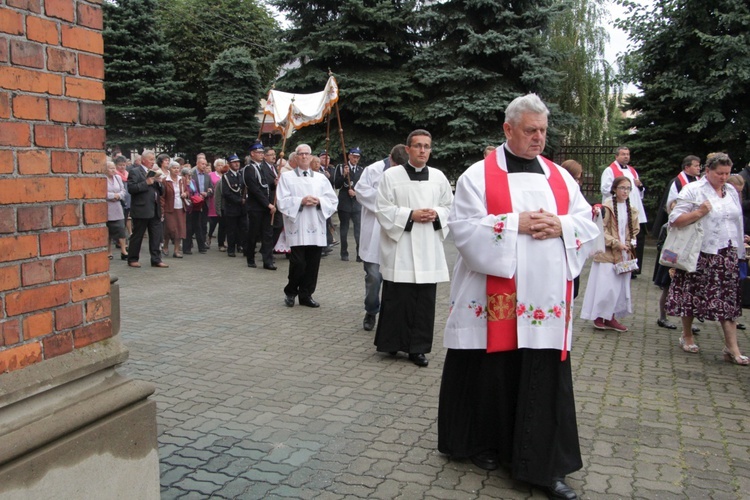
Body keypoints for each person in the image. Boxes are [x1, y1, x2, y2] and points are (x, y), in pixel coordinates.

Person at [438, 94, 599, 500]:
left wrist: (560, 224)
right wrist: (516, 224)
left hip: (544, 301)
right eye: (531, 130)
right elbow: (463, 230)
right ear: (508, 130)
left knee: (540, 376)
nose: (539, 138)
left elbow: (586, 223)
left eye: (543, 131)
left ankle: (540, 463)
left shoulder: (561, 177)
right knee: (494, 372)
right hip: (495, 297)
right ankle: (485, 443)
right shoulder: (478, 175)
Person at [374, 130, 453, 367]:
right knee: (398, 297)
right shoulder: (391, 176)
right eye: (417, 146)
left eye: (426, 146)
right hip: (402, 246)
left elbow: (449, 206)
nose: (422, 150)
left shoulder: (439, 177)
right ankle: (391, 343)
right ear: (407, 150)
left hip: (428, 245)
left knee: (423, 301)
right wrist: (410, 215)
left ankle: (417, 348)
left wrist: (436, 213)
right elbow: (382, 208)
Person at [666, 153, 748, 365]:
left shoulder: (730, 190)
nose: (723, 177)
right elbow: (674, 219)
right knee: (692, 296)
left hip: (726, 253)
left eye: (727, 174)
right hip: (700, 253)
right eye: (719, 173)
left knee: (729, 301)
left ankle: (732, 348)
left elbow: (737, 220)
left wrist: (740, 248)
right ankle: (687, 335)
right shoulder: (694, 189)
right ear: (708, 171)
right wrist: (700, 212)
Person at [277, 144, 338, 307]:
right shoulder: (287, 177)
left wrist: (319, 201)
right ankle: (291, 292)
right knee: (298, 263)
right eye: (301, 154)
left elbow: (332, 200)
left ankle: (306, 294)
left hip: (316, 226)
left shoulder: (321, 178)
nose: (304, 156)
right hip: (297, 227)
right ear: (296, 157)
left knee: (312, 264)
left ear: (311, 157)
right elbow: (281, 201)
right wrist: (300, 201)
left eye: (307, 154)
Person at [357, 144, 408, 331]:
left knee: (394, 280)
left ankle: (390, 317)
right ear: (389, 158)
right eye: (394, 165)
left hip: (396, 231)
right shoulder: (373, 170)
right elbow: (361, 192)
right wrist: (386, 205)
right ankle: (371, 310)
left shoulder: (407, 171)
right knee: (373, 277)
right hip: (375, 233)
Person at [580, 176, 639, 332]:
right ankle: (599, 316)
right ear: (614, 189)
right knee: (606, 286)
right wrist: (615, 242)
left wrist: (628, 242)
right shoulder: (606, 208)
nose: (625, 191)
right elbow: (600, 230)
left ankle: (611, 316)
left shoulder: (631, 209)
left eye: (628, 188)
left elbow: (634, 229)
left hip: (623, 254)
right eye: (622, 188)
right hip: (607, 253)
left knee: (619, 287)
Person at [652, 155, 701, 330]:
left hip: (689, 245)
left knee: (688, 287)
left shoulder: (698, 182)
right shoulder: (677, 182)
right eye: (696, 166)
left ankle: (686, 321)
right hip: (673, 248)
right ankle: (662, 316)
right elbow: (671, 205)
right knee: (668, 283)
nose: (699, 169)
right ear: (687, 167)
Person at [600, 146, 647, 277]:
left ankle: (632, 266)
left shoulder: (633, 171)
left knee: (633, 236)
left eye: (627, 154)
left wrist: (640, 186)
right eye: (623, 154)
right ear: (616, 156)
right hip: (617, 209)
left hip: (632, 208)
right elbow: (604, 189)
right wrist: (618, 189)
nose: (626, 156)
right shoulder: (609, 170)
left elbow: (638, 192)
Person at [127, 149, 168, 268]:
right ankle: (133, 258)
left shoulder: (154, 172)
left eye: (153, 159)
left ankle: (156, 259)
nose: (152, 162)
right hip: (141, 210)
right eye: (150, 159)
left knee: (156, 236)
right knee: (138, 235)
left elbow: (161, 192)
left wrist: (159, 183)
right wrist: (146, 183)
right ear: (143, 160)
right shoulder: (135, 171)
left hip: (155, 209)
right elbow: (131, 188)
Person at [244, 142, 278, 270]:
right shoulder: (249, 169)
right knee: (253, 233)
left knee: (268, 234)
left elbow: (267, 185)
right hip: (256, 207)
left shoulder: (264, 167)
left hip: (266, 206)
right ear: (252, 154)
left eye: (262, 153)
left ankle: (267, 261)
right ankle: (250, 258)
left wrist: (274, 184)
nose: (261, 155)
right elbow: (255, 189)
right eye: (259, 153)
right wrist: (268, 204)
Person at [334, 147, 364, 261]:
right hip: (344, 204)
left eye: (357, 157)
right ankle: (344, 252)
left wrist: (356, 193)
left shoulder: (361, 170)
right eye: (354, 157)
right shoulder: (341, 168)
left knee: (358, 230)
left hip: (356, 204)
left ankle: (359, 253)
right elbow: (336, 184)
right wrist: (344, 175)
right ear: (349, 156)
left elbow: (364, 186)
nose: (355, 159)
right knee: (344, 229)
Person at [184, 156, 213, 255]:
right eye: (202, 164)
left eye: (205, 164)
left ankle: (201, 246)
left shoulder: (206, 176)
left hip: (201, 203)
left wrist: (206, 193)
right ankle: (187, 247)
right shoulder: (186, 181)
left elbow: (210, 189)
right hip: (189, 206)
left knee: (201, 225)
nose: (204, 166)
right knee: (189, 226)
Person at [161, 160, 188, 258]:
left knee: (180, 229)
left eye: (178, 168)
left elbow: (186, 191)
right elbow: (162, 196)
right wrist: (162, 209)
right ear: (169, 169)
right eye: (174, 168)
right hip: (169, 208)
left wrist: (185, 194)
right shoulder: (165, 180)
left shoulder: (182, 179)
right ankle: (165, 246)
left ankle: (176, 250)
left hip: (180, 207)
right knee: (170, 228)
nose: (176, 170)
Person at [221, 154, 246, 258]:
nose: (237, 164)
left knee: (243, 228)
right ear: (229, 164)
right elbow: (226, 193)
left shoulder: (241, 175)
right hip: (232, 207)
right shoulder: (226, 177)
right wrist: (240, 200)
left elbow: (244, 189)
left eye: (238, 162)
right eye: (234, 162)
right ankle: (231, 249)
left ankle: (241, 246)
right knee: (231, 230)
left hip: (242, 208)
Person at [105, 160, 128, 261]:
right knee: (108, 231)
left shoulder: (118, 178)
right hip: (107, 207)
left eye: (114, 168)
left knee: (120, 229)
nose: (113, 170)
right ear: (105, 169)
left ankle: (123, 250)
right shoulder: (102, 179)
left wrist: (118, 196)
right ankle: (108, 251)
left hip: (117, 206)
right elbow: (102, 192)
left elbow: (123, 191)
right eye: (111, 168)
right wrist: (112, 196)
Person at [207, 158, 226, 251]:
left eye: (222, 165)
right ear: (215, 166)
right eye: (218, 165)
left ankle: (221, 242)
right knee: (213, 222)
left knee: (223, 223)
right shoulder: (211, 175)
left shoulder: (226, 175)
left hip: (223, 203)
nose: (220, 167)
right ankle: (209, 236)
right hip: (213, 201)